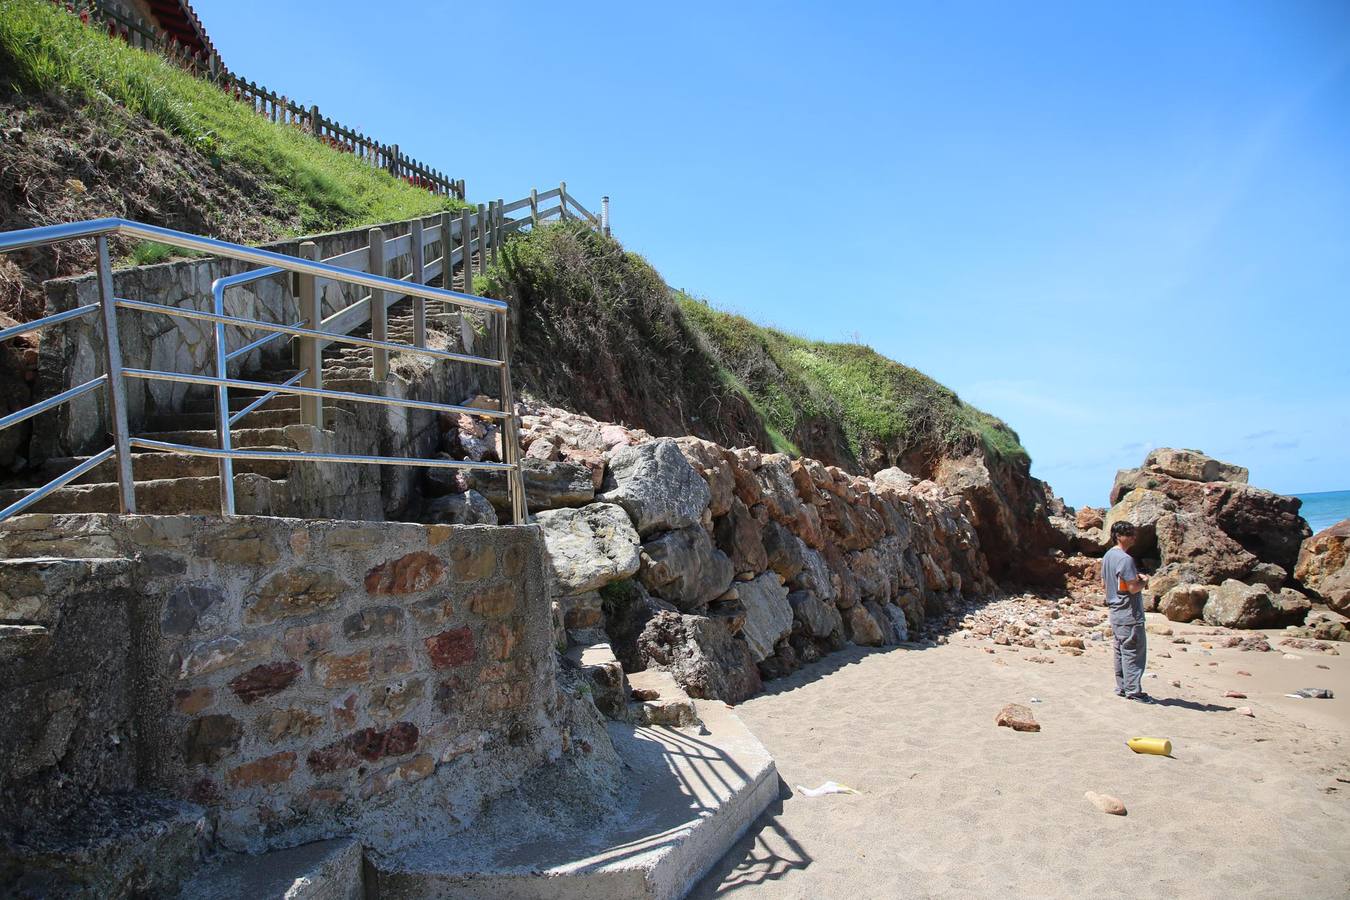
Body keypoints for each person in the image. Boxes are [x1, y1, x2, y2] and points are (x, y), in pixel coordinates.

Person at [1101, 520, 1151, 702]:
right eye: (1129, 534)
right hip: (1129, 611)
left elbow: (1105, 583)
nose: (1133, 537)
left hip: (1115, 610)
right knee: (1133, 650)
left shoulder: (1108, 556)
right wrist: (1144, 581)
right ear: (1119, 536)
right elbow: (1132, 588)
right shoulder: (1125, 559)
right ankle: (1133, 691)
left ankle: (1122, 687)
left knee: (1120, 649)